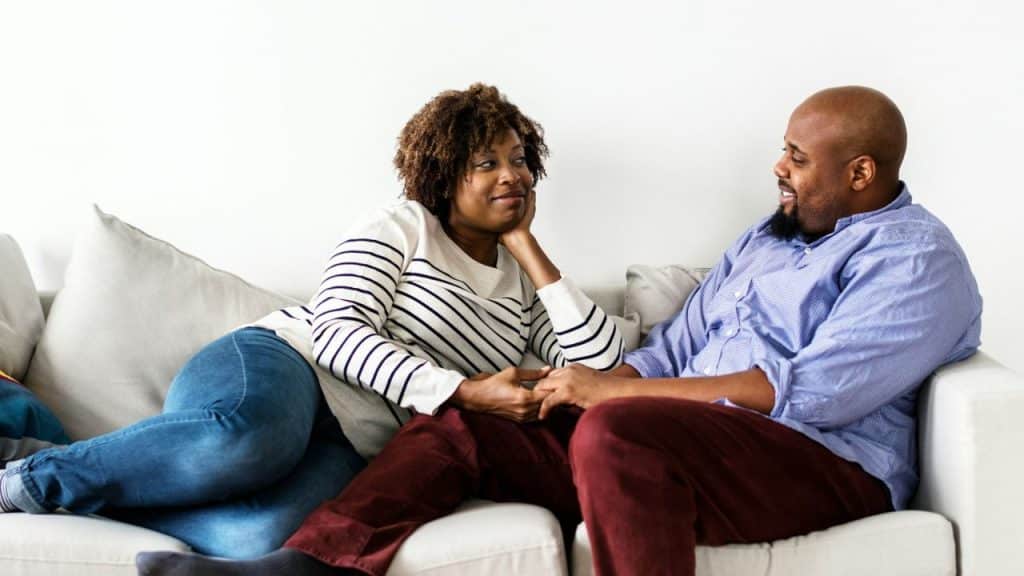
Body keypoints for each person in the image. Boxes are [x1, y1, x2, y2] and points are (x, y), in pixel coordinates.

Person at [136, 86, 982, 576]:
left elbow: (818, 391)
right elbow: (666, 354)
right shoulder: (766, 240)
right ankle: (311, 571)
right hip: (678, 439)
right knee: (470, 420)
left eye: (797, 157)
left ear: (861, 172)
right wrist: (561, 389)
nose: (779, 168)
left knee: (619, 424)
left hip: (816, 461)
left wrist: (611, 394)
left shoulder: (916, 260)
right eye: (785, 152)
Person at [0, 83, 623, 561]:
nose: (510, 174)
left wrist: (528, 248)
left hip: (357, 441)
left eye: (518, 159)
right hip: (284, 364)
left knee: (259, 537)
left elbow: (598, 369)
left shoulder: (525, 286)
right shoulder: (404, 226)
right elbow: (336, 330)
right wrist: (460, 391)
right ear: (443, 175)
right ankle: (25, 478)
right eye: (485, 162)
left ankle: (73, 483)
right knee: (243, 440)